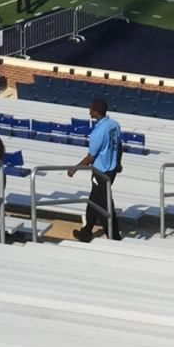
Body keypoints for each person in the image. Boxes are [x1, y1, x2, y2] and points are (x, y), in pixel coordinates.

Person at [67, 97, 122, 241]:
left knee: (104, 204)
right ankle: (86, 232)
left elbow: (91, 156)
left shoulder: (98, 132)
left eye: (91, 108)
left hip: (101, 172)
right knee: (94, 201)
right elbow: (119, 145)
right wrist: (119, 163)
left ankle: (114, 236)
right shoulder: (114, 125)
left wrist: (75, 168)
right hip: (112, 170)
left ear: (96, 112)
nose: (89, 110)